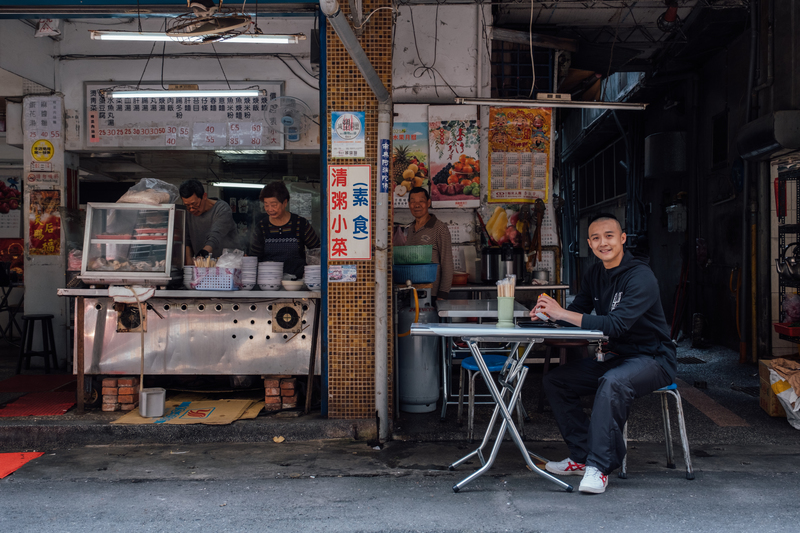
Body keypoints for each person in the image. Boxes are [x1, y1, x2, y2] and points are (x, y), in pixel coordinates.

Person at [530, 213, 676, 494]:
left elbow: (617, 325)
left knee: (613, 383)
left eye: (609, 236)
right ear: (589, 243)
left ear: (622, 239)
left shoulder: (641, 276)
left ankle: (599, 466)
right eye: (596, 238)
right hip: (620, 357)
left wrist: (562, 312)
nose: (603, 243)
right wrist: (548, 315)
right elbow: (580, 309)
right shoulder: (595, 273)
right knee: (556, 380)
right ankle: (582, 456)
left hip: (654, 359)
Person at [249, 181, 320, 279]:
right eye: (266, 205)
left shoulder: (300, 224)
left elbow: (316, 252)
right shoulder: (261, 227)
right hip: (269, 282)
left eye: (274, 205)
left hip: (297, 282)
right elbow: (254, 258)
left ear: (285, 203)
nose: (270, 209)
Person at [405, 187, 453, 300]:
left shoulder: (440, 228)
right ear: (408, 204)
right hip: (413, 292)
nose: (417, 205)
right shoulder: (410, 229)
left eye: (421, 201)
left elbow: (447, 264)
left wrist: (443, 294)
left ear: (428, 202)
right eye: (413, 201)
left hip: (432, 294)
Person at [179, 179, 240, 263]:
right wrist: (189, 263)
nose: (192, 209)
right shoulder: (188, 213)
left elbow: (216, 234)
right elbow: (187, 239)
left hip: (228, 264)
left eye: (195, 204)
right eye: (187, 205)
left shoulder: (222, 209)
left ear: (204, 196)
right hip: (203, 265)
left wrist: (204, 252)